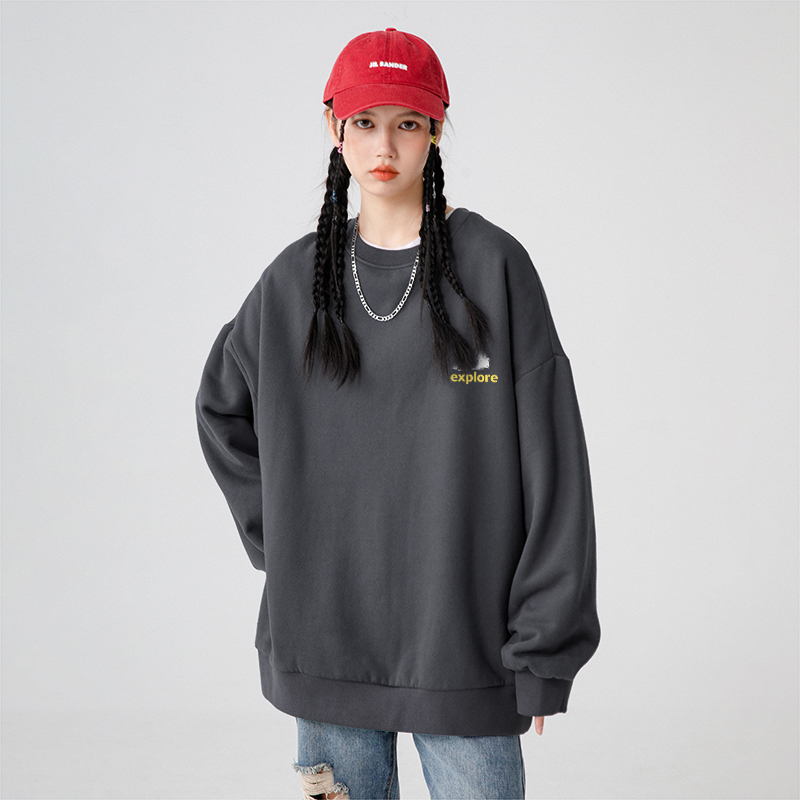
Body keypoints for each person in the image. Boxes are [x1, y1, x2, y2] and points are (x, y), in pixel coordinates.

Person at [196, 27, 600, 800]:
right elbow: (221, 408)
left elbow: (555, 465)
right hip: (324, 654)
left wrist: (545, 648)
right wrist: (286, 539)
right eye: (365, 122)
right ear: (334, 127)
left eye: (407, 122)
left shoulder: (495, 269)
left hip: (465, 652)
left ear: (435, 129)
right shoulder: (292, 285)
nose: (385, 145)